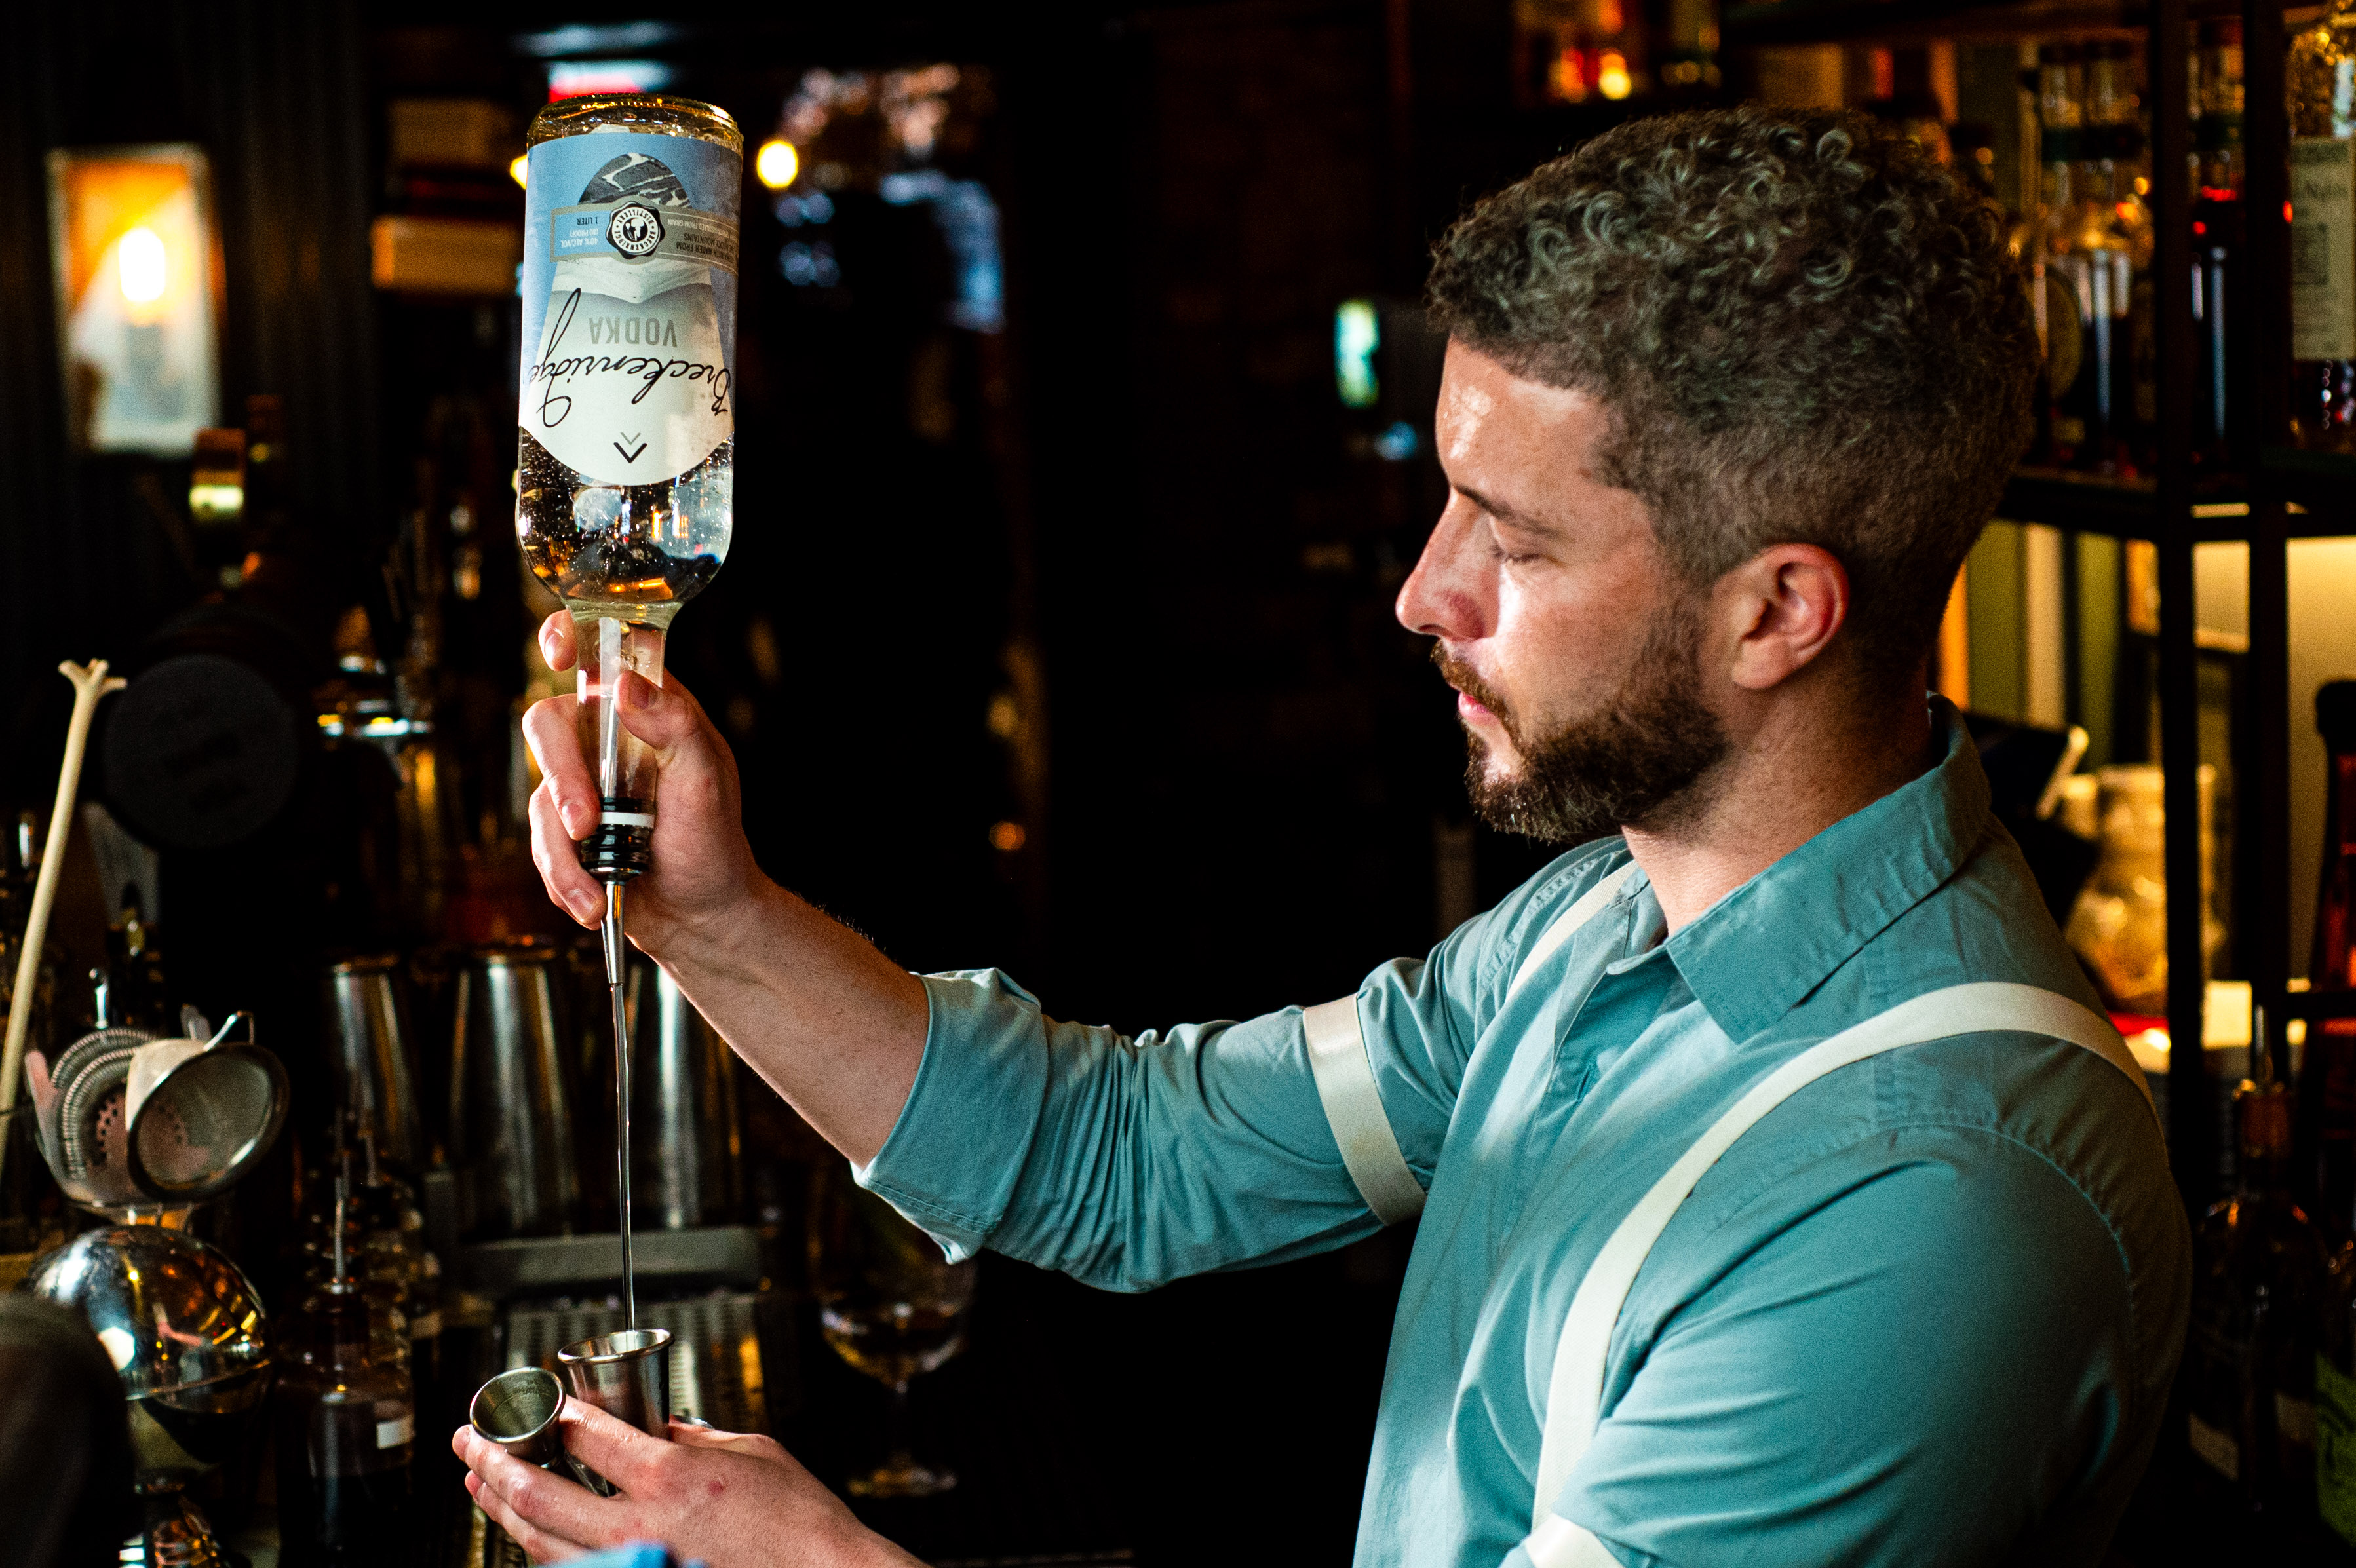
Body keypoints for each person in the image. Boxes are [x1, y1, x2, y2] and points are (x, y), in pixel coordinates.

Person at [456, 105, 2190, 1567]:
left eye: (1507, 537)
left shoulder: (1924, 1206)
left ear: (1774, 614)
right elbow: (1123, 1152)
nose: (1420, 591)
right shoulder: (1598, 924)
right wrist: (718, 917)